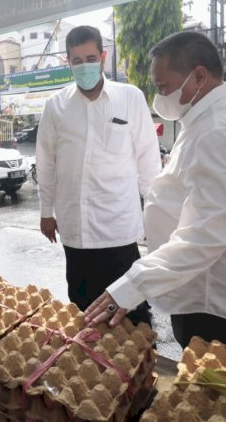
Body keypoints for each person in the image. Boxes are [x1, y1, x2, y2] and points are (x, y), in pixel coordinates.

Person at [85, 32, 226, 352]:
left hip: (213, 298)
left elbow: (209, 231)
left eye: (163, 87)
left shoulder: (220, 129)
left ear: (198, 76)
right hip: (199, 285)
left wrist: (135, 284)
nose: (160, 97)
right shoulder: (204, 120)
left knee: (213, 390)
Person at [36, 25, 160, 326]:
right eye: (76, 60)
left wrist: (155, 214)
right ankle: (92, 368)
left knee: (131, 313)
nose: (84, 66)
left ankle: (136, 368)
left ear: (103, 57)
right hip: (75, 229)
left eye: (90, 57)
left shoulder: (130, 97)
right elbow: (46, 163)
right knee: (83, 309)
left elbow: (147, 159)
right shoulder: (56, 106)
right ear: (68, 62)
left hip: (118, 227)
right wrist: (45, 212)